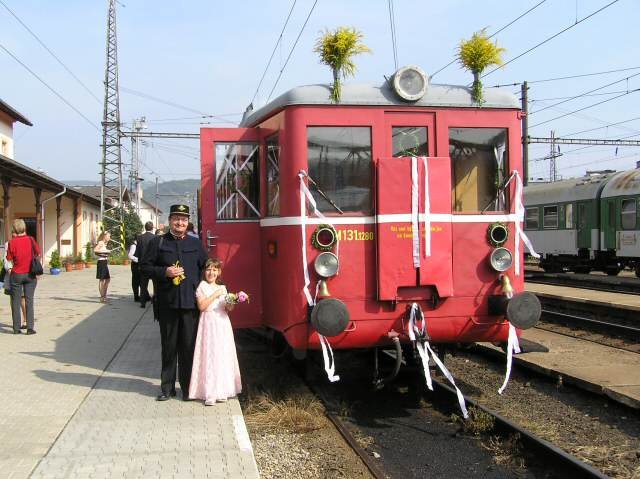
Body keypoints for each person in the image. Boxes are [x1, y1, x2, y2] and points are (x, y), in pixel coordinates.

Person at [140, 204, 207, 401]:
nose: (180, 222)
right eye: (176, 219)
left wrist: (220, 291)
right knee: (168, 348)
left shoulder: (196, 244)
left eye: (184, 219)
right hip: (167, 304)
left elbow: (207, 268)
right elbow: (144, 267)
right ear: (170, 220)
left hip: (190, 305)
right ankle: (167, 388)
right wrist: (164, 272)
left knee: (188, 349)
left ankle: (188, 389)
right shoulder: (158, 243)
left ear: (188, 222)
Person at [189, 258, 242, 405]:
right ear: (204, 271)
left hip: (222, 324)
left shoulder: (223, 288)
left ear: (219, 272)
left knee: (222, 355)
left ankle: (222, 390)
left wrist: (233, 301)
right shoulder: (202, 286)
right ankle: (209, 393)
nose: (211, 272)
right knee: (209, 356)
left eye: (214, 270)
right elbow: (202, 306)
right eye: (208, 269)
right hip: (208, 324)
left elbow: (228, 308)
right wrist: (215, 294)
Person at [6, 219, 41, 334]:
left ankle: (16, 329)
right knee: (29, 300)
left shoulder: (12, 242)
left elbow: (9, 258)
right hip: (30, 274)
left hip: (16, 274)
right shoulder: (31, 240)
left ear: (14, 229)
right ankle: (30, 328)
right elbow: (38, 253)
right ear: (24, 227)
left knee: (16, 301)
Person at [3, 234, 27, 328]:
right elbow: (6, 258)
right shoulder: (8, 244)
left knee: (22, 298)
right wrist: (9, 269)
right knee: (13, 299)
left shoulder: (25, 242)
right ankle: (16, 323)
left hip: (22, 274)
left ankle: (25, 320)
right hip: (11, 275)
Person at [135, 221, 156, 308]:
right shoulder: (155, 238)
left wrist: (139, 263)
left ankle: (142, 303)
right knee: (156, 284)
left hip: (143, 265)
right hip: (153, 264)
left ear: (145, 227)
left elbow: (138, 252)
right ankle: (155, 300)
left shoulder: (140, 238)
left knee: (143, 285)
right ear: (152, 228)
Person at [94, 231, 112, 303]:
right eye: (108, 236)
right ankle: (102, 297)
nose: (109, 238)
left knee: (107, 279)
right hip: (101, 262)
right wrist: (106, 252)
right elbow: (95, 250)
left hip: (104, 262)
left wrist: (106, 252)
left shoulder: (104, 243)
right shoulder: (101, 242)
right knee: (102, 280)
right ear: (105, 236)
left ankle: (104, 295)